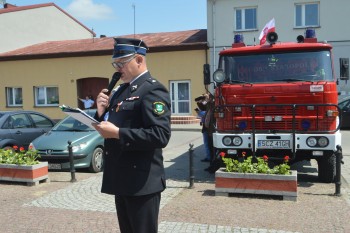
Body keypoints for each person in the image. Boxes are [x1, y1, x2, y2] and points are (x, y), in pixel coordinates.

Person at [92, 37, 171, 233]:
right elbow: (113, 122)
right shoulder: (120, 91)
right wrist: (100, 113)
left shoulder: (153, 89)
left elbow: (160, 135)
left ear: (138, 60)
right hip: (122, 178)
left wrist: (118, 133)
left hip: (142, 183)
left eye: (121, 63)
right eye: (115, 64)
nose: (118, 68)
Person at [195, 93, 213, 163]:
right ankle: (209, 156)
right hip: (206, 126)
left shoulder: (209, 105)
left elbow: (205, 114)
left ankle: (209, 157)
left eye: (204, 98)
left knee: (207, 143)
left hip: (208, 127)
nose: (203, 100)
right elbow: (196, 100)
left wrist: (199, 112)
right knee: (207, 143)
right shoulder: (206, 104)